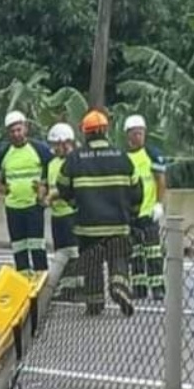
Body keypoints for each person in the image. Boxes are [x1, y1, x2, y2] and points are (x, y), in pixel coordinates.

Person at [53, 110, 141, 317]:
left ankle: (94, 302)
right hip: (118, 224)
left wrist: (76, 204)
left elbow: (62, 186)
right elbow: (137, 190)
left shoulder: (75, 159)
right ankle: (119, 284)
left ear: (85, 133)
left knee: (91, 261)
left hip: (88, 225)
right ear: (105, 131)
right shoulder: (122, 158)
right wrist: (132, 215)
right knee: (118, 256)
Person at [0, 111, 52, 275]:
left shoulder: (39, 148)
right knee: (18, 246)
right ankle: (23, 280)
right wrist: (1, 188)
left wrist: (44, 186)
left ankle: (40, 278)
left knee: (37, 245)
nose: (16, 134)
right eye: (12, 131)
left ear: (26, 128)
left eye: (19, 129)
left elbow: (54, 167)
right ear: (8, 133)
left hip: (33, 205)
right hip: (13, 206)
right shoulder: (4, 152)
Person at [124, 115, 168, 301]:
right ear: (128, 135)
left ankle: (157, 287)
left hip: (149, 212)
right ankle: (139, 287)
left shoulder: (152, 154)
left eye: (141, 133)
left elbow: (161, 180)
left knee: (153, 252)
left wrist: (159, 203)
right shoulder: (124, 158)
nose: (138, 137)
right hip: (131, 214)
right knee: (135, 253)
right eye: (135, 133)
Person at [45, 122, 82, 300]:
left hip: (70, 213)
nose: (54, 149)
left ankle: (77, 287)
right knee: (62, 249)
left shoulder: (75, 161)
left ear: (66, 142)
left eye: (56, 145)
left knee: (73, 251)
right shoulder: (52, 163)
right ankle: (67, 287)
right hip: (56, 214)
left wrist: (54, 196)